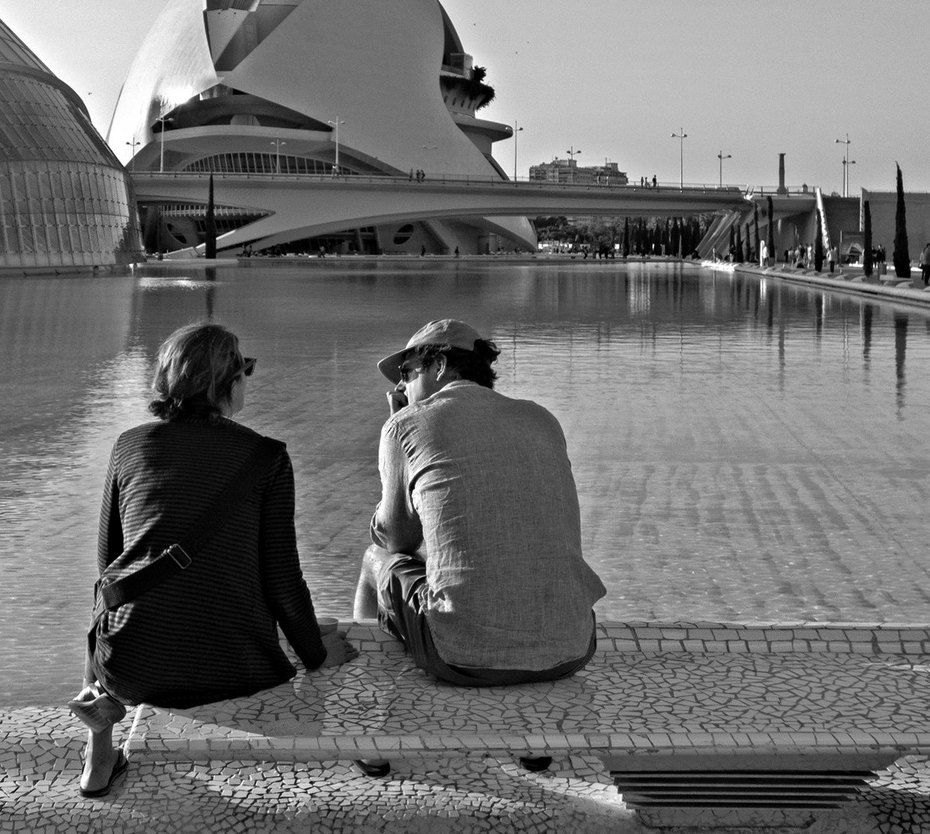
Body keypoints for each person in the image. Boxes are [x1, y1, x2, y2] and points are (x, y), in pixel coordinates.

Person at [69, 322, 355, 796]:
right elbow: (281, 578)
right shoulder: (267, 457)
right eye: (244, 369)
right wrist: (317, 654)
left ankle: (100, 743)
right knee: (297, 625)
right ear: (227, 384)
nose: (247, 378)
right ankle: (296, 638)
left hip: (133, 666)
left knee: (110, 597)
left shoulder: (128, 445)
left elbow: (110, 566)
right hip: (235, 667)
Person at [351, 320, 607, 776]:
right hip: (572, 644)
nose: (403, 386)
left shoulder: (406, 425)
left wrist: (396, 424)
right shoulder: (540, 417)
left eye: (407, 373)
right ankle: (532, 734)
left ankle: (369, 725)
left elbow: (396, 540)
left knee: (377, 564)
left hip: (462, 656)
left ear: (440, 364)